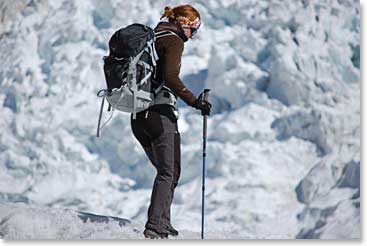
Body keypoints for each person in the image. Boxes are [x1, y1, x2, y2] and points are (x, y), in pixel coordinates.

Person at [130, 5, 212, 239]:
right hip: (159, 115)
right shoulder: (174, 41)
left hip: (139, 117)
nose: (192, 36)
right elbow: (170, 78)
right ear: (185, 23)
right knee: (169, 172)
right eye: (193, 30)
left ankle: (163, 222)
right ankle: (155, 226)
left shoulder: (154, 37)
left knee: (168, 171)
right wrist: (195, 102)